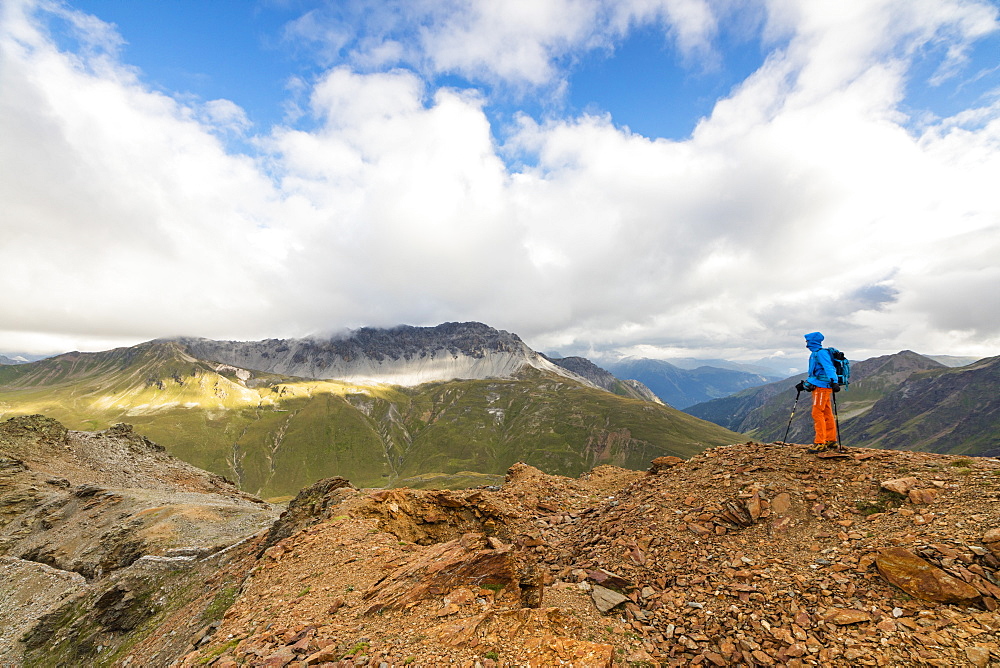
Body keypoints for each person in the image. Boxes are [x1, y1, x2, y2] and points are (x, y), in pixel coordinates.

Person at [794, 331, 841, 453]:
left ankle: (820, 443)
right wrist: (805, 385)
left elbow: (828, 367)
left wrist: (834, 381)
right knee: (826, 412)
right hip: (821, 386)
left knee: (817, 413)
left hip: (822, 388)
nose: (806, 344)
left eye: (807, 342)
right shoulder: (818, 353)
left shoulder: (820, 354)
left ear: (812, 341)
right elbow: (817, 374)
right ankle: (830, 440)